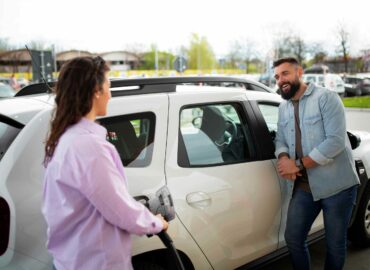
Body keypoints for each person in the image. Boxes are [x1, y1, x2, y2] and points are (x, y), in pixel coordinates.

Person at [42, 56, 168, 270]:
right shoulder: (90, 147)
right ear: (96, 91)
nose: (110, 94)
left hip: (72, 261)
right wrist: (156, 223)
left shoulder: (65, 140)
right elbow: (119, 209)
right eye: (109, 85)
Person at [273, 57, 359, 270]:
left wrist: (299, 164)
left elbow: (336, 141)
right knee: (293, 238)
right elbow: (280, 139)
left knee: (335, 245)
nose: (280, 80)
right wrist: (284, 157)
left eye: (285, 73)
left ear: (299, 72)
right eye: (276, 76)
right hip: (304, 188)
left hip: (337, 187)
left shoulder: (326, 98)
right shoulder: (283, 108)